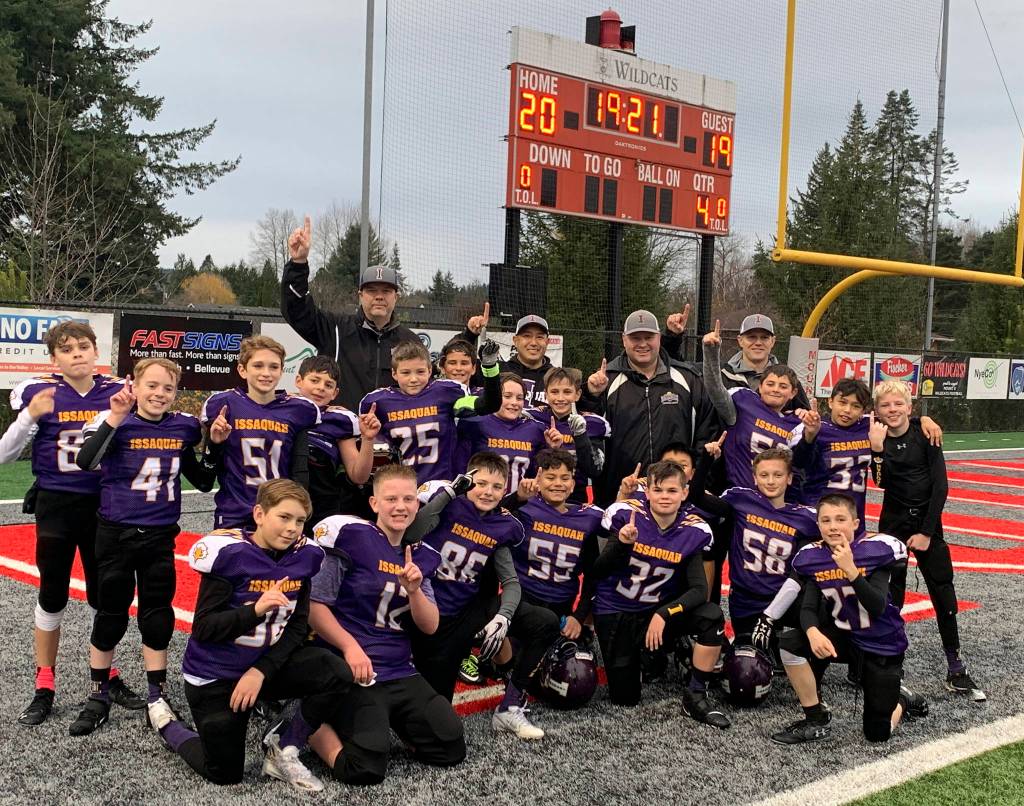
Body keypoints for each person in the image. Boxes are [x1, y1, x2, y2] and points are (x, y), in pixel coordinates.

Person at [156, 480, 351, 792]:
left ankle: (283, 745)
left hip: (262, 667)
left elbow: (297, 627)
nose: (292, 528)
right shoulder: (231, 555)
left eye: (300, 520)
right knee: (224, 772)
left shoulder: (304, 556)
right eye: (284, 517)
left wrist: (260, 671)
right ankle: (167, 724)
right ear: (259, 514)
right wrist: (256, 610)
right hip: (217, 672)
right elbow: (205, 628)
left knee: (335, 671)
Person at [5, 321, 144, 727]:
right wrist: (29, 416)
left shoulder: (117, 391)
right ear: (54, 358)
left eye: (84, 346)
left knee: (106, 595)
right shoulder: (39, 393)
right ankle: (44, 682)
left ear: (96, 351)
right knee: (52, 594)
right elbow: (5, 454)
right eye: (67, 349)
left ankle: (106, 674)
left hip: (105, 506)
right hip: (57, 505)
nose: (77, 353)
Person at [69, 359, 215, 737]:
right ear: (133, 385)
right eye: (151, 385)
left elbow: (202, 481)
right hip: (116, 534)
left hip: (159, 536)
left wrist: (214, 445)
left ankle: (156, 694)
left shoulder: (182, 427)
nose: (159, 394)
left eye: (168, 388)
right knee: (111, 613)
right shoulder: (114, 419)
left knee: (157, 614)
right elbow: (86, 461)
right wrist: (116, 416)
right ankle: (98, 694)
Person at [305, 464, 466, 785]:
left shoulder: (418, 554)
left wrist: (415, 591)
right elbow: (314, 606)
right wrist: (349, 647)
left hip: (399, 668)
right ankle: (307, 724)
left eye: (408, 499)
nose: (400, 506)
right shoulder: (351, 537)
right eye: (391, 499)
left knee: (449, 747)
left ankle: (388, 721)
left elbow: (430, 625)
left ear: (417, 504)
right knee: (364, 768)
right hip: (353, 667)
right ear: (374, 503)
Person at [412, 451, 561, 739]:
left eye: (496, 487)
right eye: (481, 484)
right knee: (434, 721)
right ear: (468, 482)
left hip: (465, 610)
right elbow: (412, 532)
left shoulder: (503, 524)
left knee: (545, 622)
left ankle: (510, 706)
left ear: (505, 490)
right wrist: (449, 493)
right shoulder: (448, 503)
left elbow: (511, 582)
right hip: (427, 609)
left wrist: (503, 618)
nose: (488, 492)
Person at [769, 493, 928, 745]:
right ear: (818, 525)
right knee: (790, 643)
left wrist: (850, 569)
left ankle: (902, 700)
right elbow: (808, 607)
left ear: (855, 523)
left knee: (877, 735)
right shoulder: (814, 556)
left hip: (881, 643)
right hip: (845, 636)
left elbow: (876, 606)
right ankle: (815, 718)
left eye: (840, 519)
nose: (833, 526)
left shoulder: (876, 551)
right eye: (826, 520)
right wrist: (812, 631)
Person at [869, 380, 985, 701]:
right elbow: (880, 482)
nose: (892, 409)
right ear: (877, 410)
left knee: (943, 592)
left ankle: (956, 668)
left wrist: (926, 532)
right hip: (893, 525)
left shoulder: (926, 433)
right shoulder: (877, 436)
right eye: (885, 405)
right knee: (891, 595)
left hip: (927, 525)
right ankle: (891, 662)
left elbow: (941, 487)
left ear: (910, 407)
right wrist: (876, 451)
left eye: (898, 404)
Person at [591, 461, 729, 727]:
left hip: (656, 610)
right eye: (658, 490)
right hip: (617, 610)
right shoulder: (626, 514)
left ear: (684, 493)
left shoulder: (693, 529)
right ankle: (648, 655)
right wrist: (621, 544)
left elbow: (700, 590)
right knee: (626, 698)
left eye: (672, 490)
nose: (665, 496)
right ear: (648, 492)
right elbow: (598, 571)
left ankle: (696, 694)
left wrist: (664, 613)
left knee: (711, 615)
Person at [583, 310, 718, 506]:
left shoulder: (688, 379)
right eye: (635, 338)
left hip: (675, 501)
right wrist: (590, 396)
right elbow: (588, 437)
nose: (643, 344)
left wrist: (694, 484)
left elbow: (705, 434)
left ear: (659, 338)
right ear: (624, 340)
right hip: (620, 498)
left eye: (648, 337)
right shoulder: (605, 381)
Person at [280, 216, 418, 409]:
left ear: (396, 297)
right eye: (372, 291)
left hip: (390, 428)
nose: (379, 296)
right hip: (341, 426)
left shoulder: (411, 342)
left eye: (386, 291)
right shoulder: (335, 329)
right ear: (360, 295)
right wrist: (298, 263)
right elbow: (296, 309)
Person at [686, 444, 818, 645]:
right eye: (764, 475)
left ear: (789, 478)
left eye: (778, 475)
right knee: (748, 658)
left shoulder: (805, 517)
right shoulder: (741, 500)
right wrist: (706, 460)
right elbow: (696, 497)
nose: (771, 481)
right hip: (745, 599)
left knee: (823, 616)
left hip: (785, 599)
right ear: (754, 478)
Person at [201, 335, 320, 529]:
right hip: (234, 515)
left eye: (273, 367)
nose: (266, 373)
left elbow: (299, 471)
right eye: (258, 366)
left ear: (282, 371)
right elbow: (207, 474)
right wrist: (215, 443)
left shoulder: (299, 409)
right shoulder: (224, 405)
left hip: (279, 514)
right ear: (242, 370)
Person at [360, 339, 501, 484]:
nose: (413, 379)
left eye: (420, 372)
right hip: (402, 487)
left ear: (429, 371)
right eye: (406, 373)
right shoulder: (378, 403)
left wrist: (490, 367)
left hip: (442, 486)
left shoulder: (445, 393)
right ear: (394, 374)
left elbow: (489, 405)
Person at [701, 319, 807, 489]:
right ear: (760, 387)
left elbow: (806, 458)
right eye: (751, 337)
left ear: (793, 392)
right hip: (733, 485)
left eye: (764, 337)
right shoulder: (742, 400)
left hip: (777, 493)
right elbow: (715, 391)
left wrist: (809, 422)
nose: (776, 389)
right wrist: (711, 352)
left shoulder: (796, 418)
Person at [293, 355, 380, 529]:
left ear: (335, 393)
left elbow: (358, 476)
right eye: (314, 380)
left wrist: (368, 439)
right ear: (298, 381)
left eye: (328, 385)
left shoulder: (340, 419)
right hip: (283, 500)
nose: (320, 388)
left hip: (322, 506)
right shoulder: (280, 409)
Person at [666, 312, 811, 410]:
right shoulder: (720, 374)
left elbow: (804, 426)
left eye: (764, 337)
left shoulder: (787, 380)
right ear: (740, 340)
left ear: (772, 341)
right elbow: (677, 368)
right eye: (751, 337)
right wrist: (673, 336)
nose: (758, 342)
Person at [457, 373, 563, 494]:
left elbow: (541, 474)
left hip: (520, 502)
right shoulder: (476, 423)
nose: (514, 402)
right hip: (481, 499)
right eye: (507, 396)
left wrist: (553, 449)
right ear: (494, 396)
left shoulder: (536, 429)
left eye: (519, 398)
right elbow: (460, 467)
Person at [526, 367, 610, 504]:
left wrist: (580, 436)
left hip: (574, 500)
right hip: (536, 500)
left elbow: (594, 470)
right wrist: (550, 448)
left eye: (567, 392)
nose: (560, 398)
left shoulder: (592, 423)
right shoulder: (532, 419)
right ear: (546, 394)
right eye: (554, 392)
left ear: (577, 394)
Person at [462, 303, 554, 407]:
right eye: (527, 336)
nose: (533, 343)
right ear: (515, 340)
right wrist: (469, 335)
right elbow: (458, 367)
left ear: (547, 342)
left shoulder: (556, 378)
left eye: (539, 337)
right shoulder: (494, 371)